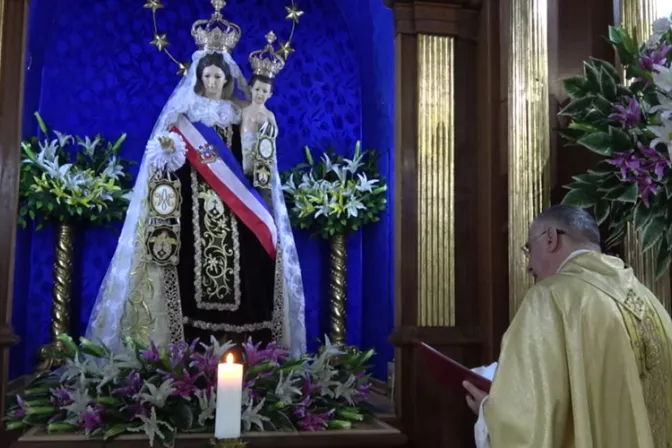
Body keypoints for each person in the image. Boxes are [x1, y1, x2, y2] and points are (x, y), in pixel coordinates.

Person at [84, 3, 306, 357]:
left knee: (248, 280)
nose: (214, 82)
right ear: (199, 79)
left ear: (228, 79)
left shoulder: (240, 116)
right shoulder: (182, 121)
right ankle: (186, 356)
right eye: (208, 77)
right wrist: (169, 156)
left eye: (219, 77)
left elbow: (253, 169)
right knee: (187, 278)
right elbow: (162, 166)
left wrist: (255, 130)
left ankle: (249, 354)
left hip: (239, 219)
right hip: (191, 217)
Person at [463, 204, 672, 448]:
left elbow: (529, 427)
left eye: (529, 249)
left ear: (550, 238)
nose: (529, 266)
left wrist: (490, 413)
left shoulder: (550, 298)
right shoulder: (649, 301)